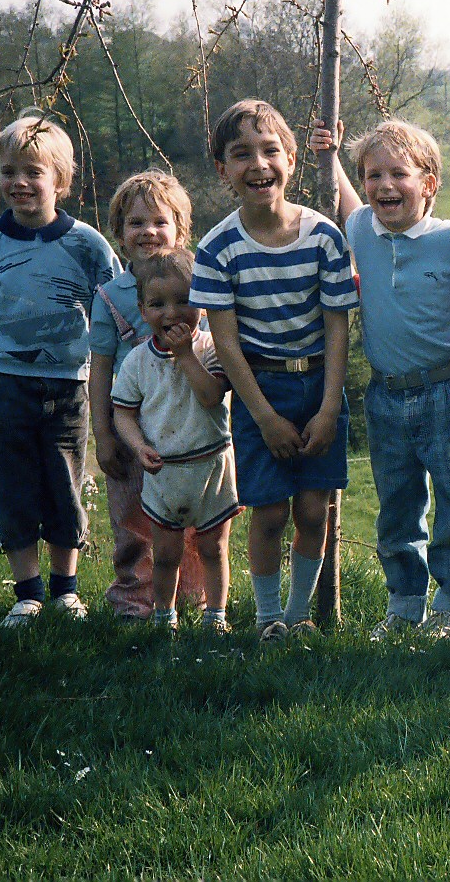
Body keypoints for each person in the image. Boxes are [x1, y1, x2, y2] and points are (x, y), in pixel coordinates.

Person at [0, 111, 121, 627]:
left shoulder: (86, 244)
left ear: (59, 181)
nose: (19, 182)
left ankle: (66, 590)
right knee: (13, 483)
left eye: (33, 172)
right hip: (4, 385)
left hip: (68, 385)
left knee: (64, 483)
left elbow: (114, 303)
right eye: (8, 171)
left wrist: (107, 359)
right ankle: (27, 593)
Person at [191, 99, 357, 642]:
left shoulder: (324, 237)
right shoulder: (217, 248)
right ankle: (267, 620)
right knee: (267, 514)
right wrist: (262, 416)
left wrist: (330, 406)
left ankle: (299, 614)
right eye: (241, 155)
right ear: (223, 170)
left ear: (290, 157)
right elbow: (226, 341)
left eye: (270, 151)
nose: (258, 165)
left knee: (314, 511)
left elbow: (337, 326)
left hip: (318, 386)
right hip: (259, 388)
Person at [322, 119, 450, 641]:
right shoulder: (362, 228)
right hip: (385, 394)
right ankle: (405, 605)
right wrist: (333, 157)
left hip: (445, 389)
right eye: (373, 175)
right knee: (397, 507)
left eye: (399, 174)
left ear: (429, 183)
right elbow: (347, 200)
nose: (384, 185)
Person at [89, 169, 205, 620]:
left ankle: (193, 601)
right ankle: (134, 604)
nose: (149, 232)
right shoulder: (111, 296)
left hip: (191, 428)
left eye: (160, 221)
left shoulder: (198, 284)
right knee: (133, 522)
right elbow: (100, 368)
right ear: (119, 234)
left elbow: (215, 354)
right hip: (132, 429)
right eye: (136, 223)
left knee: (194, 522)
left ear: (180, 229)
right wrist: (103, 435)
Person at [110, 250, 238, 631]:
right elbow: (124, 412)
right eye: (158, 304)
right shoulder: (136, 361)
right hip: (165, 471)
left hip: (212, 467)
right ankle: (165, 618)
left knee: (213, 548)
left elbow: (211, 395)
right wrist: (137, 446)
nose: (172, 313)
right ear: (142, 309)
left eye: (184, 300)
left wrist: (184, 354)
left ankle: (216, 615)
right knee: (165, 553)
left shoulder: (212, 347)